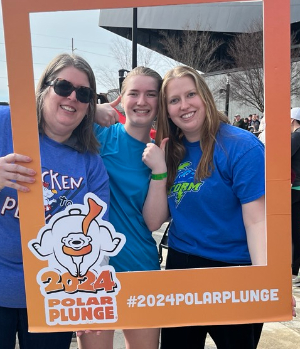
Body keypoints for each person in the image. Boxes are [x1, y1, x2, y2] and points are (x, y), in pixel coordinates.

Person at [142, 65, 266, 349]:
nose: (184, 105)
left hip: (234, 270)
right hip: (182, 267)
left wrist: (267, 280)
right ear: (167, 110)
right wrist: (160, 172)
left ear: (205, 97)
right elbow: (154, 221)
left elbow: (257, 222)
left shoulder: (241, 146)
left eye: (190, 95)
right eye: (174, 100)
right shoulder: (170, 150)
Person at [0, 53, 110, 349]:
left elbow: (96, 240)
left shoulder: (91, 163)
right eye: (63, 87)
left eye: (84, 93)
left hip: (52, 296)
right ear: (44, 88)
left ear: (89, 105)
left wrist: (88, 299)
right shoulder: (5, 123)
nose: (72, 97)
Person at [77, 66, 162, 349]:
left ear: (159, 102)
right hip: (90, 270)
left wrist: (160, 172)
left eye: (151, 94)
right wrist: (91, 109)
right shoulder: (98, 134)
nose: (141, 101)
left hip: (140, 267)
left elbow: (153, 222)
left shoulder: (164, 152)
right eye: (134, 93)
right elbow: (45, 114)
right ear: (121, 98)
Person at [291, 107, 300, 285]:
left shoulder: (296, 136)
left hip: (296, 188)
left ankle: (295, 271)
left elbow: (280, 155)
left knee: (296, 232)